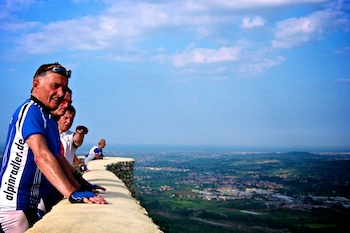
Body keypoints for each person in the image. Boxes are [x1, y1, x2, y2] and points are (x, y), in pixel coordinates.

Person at [0, 63, 107, 233]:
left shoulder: (46, 117)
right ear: (36, 84)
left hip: (29, 203)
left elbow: (58, 157)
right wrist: (71, 193)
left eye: (64, 88)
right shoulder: (30, 111)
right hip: (15, 205)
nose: (60, 93)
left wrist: (80, 185)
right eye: (55, 86)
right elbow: (42, 156)